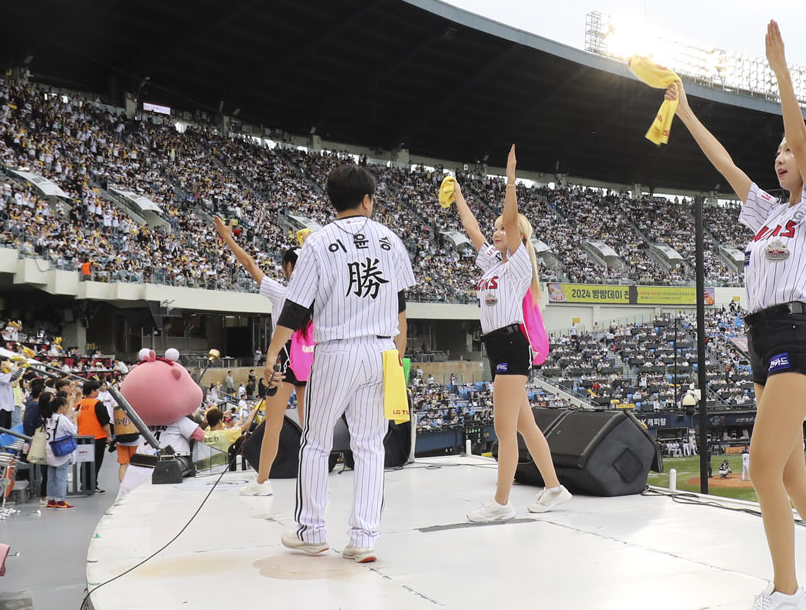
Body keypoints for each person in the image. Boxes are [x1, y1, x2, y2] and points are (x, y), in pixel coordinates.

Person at [671, 21, 806, 610]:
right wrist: (683, 111)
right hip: (762, 340)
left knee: (761, 467)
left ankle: (786, 594)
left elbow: (801, 144)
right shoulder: (771, 214)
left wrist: (781, 72)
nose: (781, 156)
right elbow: (727, 165)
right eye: (780, 151)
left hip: (792, 338)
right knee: (789, 474)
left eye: (791, 151)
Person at [263, 163, 415, 564]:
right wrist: (398, 356)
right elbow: (401, 307)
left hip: (336, 350)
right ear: (367, 199)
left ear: (332, 201)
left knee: (316, 440)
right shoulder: (390, 240)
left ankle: (311, 531)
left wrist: (273, 351)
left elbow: (296, 308)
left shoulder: (317, 242)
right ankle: (363, 539)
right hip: (383, 350)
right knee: (369, 445)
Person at [450, 149, 569, 523]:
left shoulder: (518, 263)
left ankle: (501, 503)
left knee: (504, 429)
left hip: (511, 345)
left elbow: (513, 217)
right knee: (523, 424)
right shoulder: (492, 262)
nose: (497, 231)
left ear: (516, 234)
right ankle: (555, 488)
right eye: (497, 228)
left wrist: (512, 178)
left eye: (503, 228)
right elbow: (471, 228)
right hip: (498, 345)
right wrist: (456, 194)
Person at [214, 218, 303, 496]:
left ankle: (263, 482)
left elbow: (250, 265)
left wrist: (228, 239)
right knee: (312, 427)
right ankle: (314, 481)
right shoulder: (318, 296)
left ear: (288, 268)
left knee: (274, 424)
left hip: (287, 358)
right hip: (315, 357)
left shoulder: (283, 292)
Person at [41, 388, 76, 509]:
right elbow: (73, 431)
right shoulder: (62, 419)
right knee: (61, 476)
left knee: (51, 477)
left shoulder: (47, 418)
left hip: (49, 448)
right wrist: (75, 419)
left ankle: (51, 499)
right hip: (60, 450)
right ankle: (61, 500)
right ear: (61, 407)